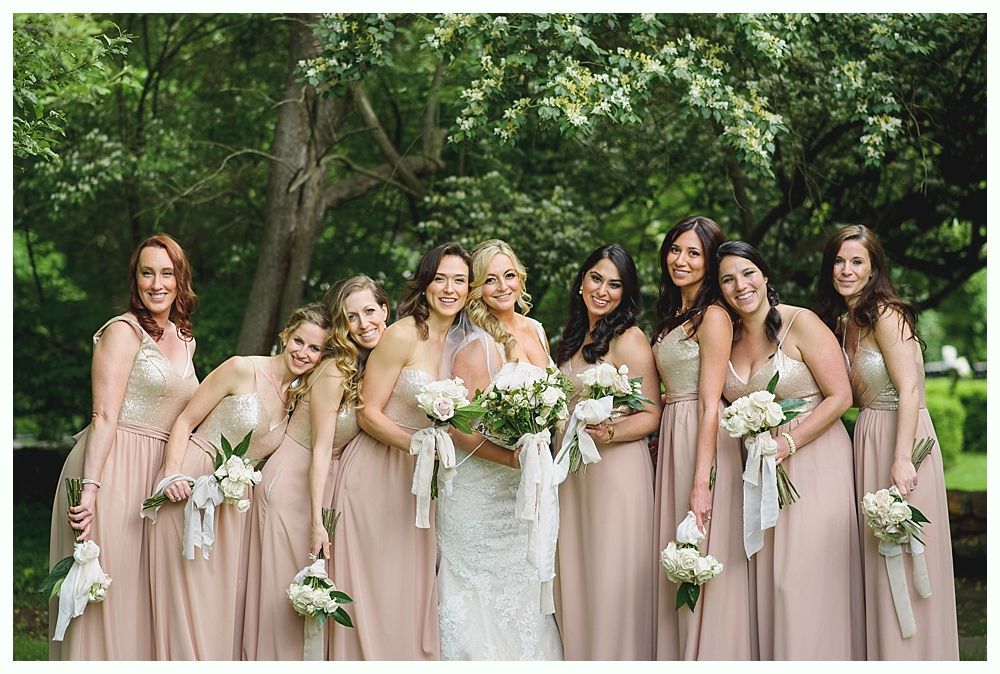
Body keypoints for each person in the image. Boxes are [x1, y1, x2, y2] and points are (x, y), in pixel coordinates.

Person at [147, 303, 331, 660]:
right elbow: (185, 421)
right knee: (184, 595)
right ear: (284, 336)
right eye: (298, 341)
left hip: (233, 503)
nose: (303, 353)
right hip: (192, 485)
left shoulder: (297, 397)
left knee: (215, 602)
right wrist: (171, 474)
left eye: (314, 348)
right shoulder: (241, 369)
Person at [48, 234, 198, 660]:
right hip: (112, 468)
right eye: (147, 273)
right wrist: (90, 489)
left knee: (141, 594)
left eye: (167, 273)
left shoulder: (185, 338)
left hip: (154, 477)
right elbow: (104, 416)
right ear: (135, 279)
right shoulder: (122, 331)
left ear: (179, 279)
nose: (157, 283)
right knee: (104, 591)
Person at [815, 225, 959, 660]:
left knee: (908, 554)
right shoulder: (842, 323)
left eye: (856, 261)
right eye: (839, 261)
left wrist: (901, 461)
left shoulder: (888, 313)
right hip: (867, 440)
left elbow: (911, 389)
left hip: (903, 438)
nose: (846, 270)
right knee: (878, 560)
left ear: (874, 266)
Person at [717, 240, 864, 660]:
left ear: (764, 275)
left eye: (747, 273)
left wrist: (788, 442)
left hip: (815, 463)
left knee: (803, 581)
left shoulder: (801, 322)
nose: (740, 285)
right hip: (761, 474)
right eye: (728, 279)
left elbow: (841, 396)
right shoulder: (727, 338)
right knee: (773, 583)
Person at [330, 242, 471, 660]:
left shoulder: (465, 342)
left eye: (459, 280)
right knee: (372, 590)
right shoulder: (402, 334)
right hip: (377, 472)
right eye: (440, 278)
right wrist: (416, 443)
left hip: (419, 482)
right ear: (425, 282)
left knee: (407, 590)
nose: (449, 289)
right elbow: (368, 413)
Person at [243, 277, 389, 660]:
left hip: (315, 485)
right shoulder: (335, 370)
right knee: (286, 596)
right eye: (351, 317)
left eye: (369, 312)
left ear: (385, 311)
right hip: (292, 482)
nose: (363, 324)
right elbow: (321, 447)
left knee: (307, 598)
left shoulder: (367, 365)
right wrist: (315, 519)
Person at [436, 239, 563, 660]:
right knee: (478, 595)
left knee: (523, 587)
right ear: (476, 289)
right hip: (482, 489)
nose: (502, 286)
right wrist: (511, 457)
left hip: (522, 489)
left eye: (509, 275)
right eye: (489, 279)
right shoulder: (475, 345)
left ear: (521, 278)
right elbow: (459, 429)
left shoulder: (537, 329)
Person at [553, 243, 662, 660]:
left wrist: (608, 433)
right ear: (581, 282)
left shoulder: (629, 338)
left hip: (614, 472)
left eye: (615, 284)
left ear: (626, 293)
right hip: (574, 475)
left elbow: (651, 414)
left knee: (611, 578)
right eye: (596, 278)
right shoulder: (570, 339)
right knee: (578, 577)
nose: (603, 290)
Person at [650, 217, 752, 660]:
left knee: (704, 549)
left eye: (694, 253)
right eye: (676, 249)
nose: (681, 260)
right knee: (678, 554)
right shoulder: (674, 315)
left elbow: (712, 403)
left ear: (709, 262)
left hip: (702, 437)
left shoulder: (713, 316)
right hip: (674, 433)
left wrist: (702, 479)